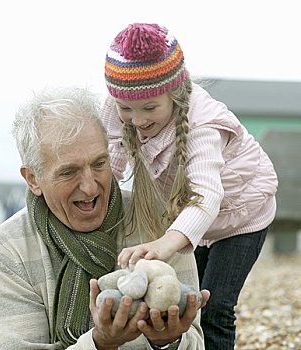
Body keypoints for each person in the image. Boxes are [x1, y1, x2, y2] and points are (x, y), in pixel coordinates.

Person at [0, 86, 210, 349]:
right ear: (33, 179)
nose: (89, 187)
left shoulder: (159, 222)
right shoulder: (6, 252)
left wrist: (169, 340)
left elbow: (195, 342)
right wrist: (100, 344)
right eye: (69, 172)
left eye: (99, 164)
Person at [100, 23, 278, 349]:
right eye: (126, 108)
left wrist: (167, 242)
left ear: (175, 93)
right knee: (184, 304)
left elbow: (207, 194)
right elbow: (110, 165)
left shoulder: (204, 123)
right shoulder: (116, 108)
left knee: (215, 307)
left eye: (149, 108)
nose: (137, 119)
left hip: (242, 216)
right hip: (191, 223)